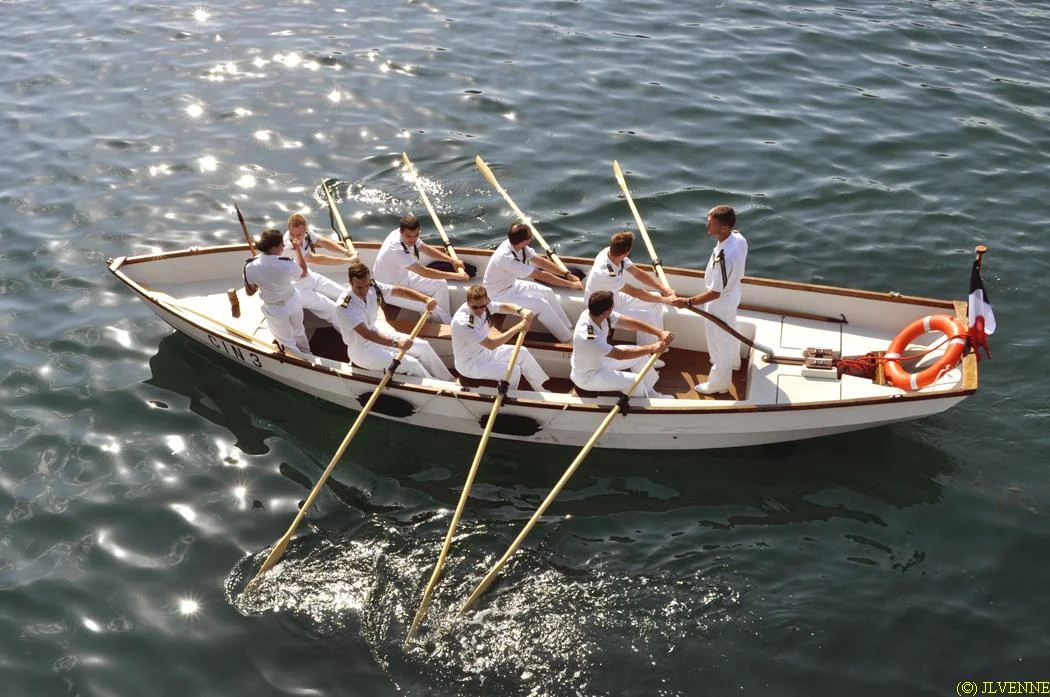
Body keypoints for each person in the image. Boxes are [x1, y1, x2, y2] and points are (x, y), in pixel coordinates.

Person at [333, 262, 453, 380]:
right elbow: (367, 334)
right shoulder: (345, 306)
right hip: (362, 351)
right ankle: (435, 387)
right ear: (350, 283)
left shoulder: (373, 286)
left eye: (366, 285)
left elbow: (400, 291)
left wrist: (425, 299)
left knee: (423, 346)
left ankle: (449, 381)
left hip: (377, 334)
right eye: (359, 287)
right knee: (412, 363)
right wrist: (396, 343)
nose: (364, 291)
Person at [482, 222, 583, 342]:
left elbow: (541, 262)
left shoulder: (518, 245)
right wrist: (571, 285)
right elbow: (540, 275)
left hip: (511, 285)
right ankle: (568, 340)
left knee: (547, 291)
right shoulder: (507, 258)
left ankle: (568, 328)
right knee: (541, 305)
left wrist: (567, 275)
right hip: (496, 295)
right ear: (524, 241)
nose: (532, 237)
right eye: (530, 236)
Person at [584, 231, 685, 345]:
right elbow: (633, 292)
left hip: (614, 298)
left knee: (656, 300)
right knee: (647, 317)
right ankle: (648, 353)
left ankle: (660, 343)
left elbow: (637, 273)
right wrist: (667, 300)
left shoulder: (612, 253)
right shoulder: (604, 273)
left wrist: (663, 289)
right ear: (627, 252)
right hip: (602, 309)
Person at [687, 205, 747, 395]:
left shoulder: (725, 257)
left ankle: (719, 384)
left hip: (720, 303)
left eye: (711, 223)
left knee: (719, 342)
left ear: (725, 228)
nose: (707, 225)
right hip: (733, 294)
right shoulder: (738, 239)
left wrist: (689, 302)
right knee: (731, 329)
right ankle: (735, 363)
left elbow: (715, 292)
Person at [570, 290, 674, 399]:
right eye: (612, 307)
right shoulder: (588, 336)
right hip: (589, 376)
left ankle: (651, 393)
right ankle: (643, 401)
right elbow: (620, 355)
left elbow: (629, 323)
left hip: (601, 360)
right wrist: (653, 347)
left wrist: (659, 332)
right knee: (634, 381)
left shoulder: (594, 313)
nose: (613, 309)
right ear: (605, 312)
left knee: (641, 356)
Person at [451, 285, 550, 391]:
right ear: (467, 302)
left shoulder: (484, 305)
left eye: (483, 306)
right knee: (513, 371)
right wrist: (517, 328)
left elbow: (503, 307)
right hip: (470, 364)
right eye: (475, 307)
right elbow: (491, 344)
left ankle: (540, 389)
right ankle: (509, 397)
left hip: (483, 352)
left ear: (487, 301)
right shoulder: (464, 322)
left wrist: (521, 310)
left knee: (522, 352)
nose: (479, 310)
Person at [372, 214, 468, 323]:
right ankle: (447, 324)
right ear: (401, 232)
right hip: (389, 290)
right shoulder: (395, 248)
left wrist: (452, 260)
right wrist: (456, 276)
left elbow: (426, 249)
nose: (413, 239)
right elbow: (424, 272)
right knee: (431, 306)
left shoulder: (408, 236)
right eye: (409, 236)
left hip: (404, 277)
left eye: (416, 235)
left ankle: (441, 321)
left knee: (440, 284)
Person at [243, 229, 311, 353]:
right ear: (273, 248)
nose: (284, 246)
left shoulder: (249, 267)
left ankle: (302, 361)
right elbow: (303, 272)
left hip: (276, 310)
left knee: (286, 341)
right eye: (281, 244)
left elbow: (250, 292)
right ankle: (308, 354)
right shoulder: (286, 263)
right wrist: (298, 250)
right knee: (299, 331)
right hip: (294, 302)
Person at [283, 213, 357, 323]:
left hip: (310, 277)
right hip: (297, 288)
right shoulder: (288, 246)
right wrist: (349, 261)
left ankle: (360, 320)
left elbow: (324, 242)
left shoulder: (307, 234)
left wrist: (346, 252)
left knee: (348, 296)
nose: (295, 238)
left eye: (298, 235)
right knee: (333, 309)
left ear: (306, 230)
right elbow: (317, 259)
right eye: (292, 234)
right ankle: (351, 336)